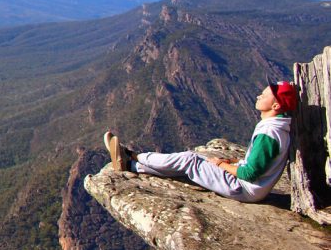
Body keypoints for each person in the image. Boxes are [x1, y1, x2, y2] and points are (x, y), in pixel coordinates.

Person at [103, 81, 299, 203]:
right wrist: (233, 163)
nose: (258, 95)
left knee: (190, 160)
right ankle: (133, 164)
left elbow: (250, 174)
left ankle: (133, 157)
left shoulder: (269, 134)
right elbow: (256, 165)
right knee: (193, 161)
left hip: (243, 189)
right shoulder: (275, 128)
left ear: (275, 105)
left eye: (264, 95)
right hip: (249, 187)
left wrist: (221, 164)